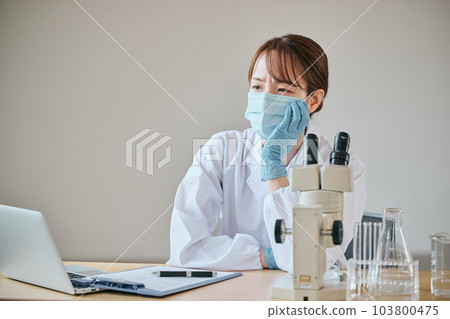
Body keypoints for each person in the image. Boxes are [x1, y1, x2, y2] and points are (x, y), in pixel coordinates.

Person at [166, 34, 366, 272]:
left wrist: (273, 165)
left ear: (312, 101)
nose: (265, 100)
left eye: (282, 89)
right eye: (257, 86)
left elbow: (311, 261)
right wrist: (262, 257)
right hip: (236, 291)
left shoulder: (345, 169)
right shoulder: (221, 148)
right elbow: (185, 248)